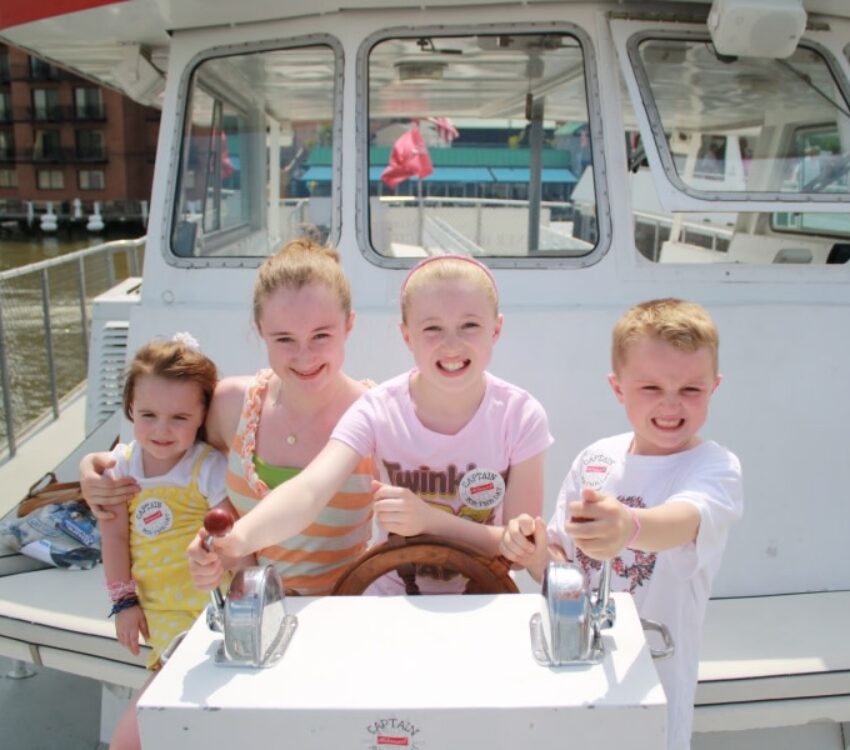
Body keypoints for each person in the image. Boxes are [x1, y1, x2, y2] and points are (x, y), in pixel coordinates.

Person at [190, 254, 552, 594]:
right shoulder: (376, 409)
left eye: (469, 325)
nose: (451, 345)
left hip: (484, 595)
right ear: (407, 335)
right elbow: (310, 491)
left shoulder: (521, 416)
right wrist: (236, 540)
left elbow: (521, 552)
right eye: (432, 328)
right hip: (391, 600)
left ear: (496, 329)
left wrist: (429, 521)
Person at [499, 298, 743, 750]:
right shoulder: (595, 459)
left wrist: (628, 526)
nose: (671, 404)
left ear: (714, 387)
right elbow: (562, 567)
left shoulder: (715, 468)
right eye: (650, 387)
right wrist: (534, 553)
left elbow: (684, 521)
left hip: (657, 687)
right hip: (578, 679)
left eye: (691, 389)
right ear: (618, 388)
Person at [82, 237, 375, 597]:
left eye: (321, 335)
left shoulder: (376, 417)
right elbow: (165, 448)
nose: (305, 355)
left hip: (342, 610)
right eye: (284, 339)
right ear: (260, 330)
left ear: (349, 325)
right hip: (245, 610)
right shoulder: (231, 405)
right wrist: (96, 469)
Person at [99, 334, 245, 750]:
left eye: (180, 417)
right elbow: (113, 536)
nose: (162, 430)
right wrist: (124, 603)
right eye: (148, 414)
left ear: (202, 416)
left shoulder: (208, 468)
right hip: (157, 616)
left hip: (208, 615)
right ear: (130, 408)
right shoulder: (121, 468)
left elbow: (234, 537)